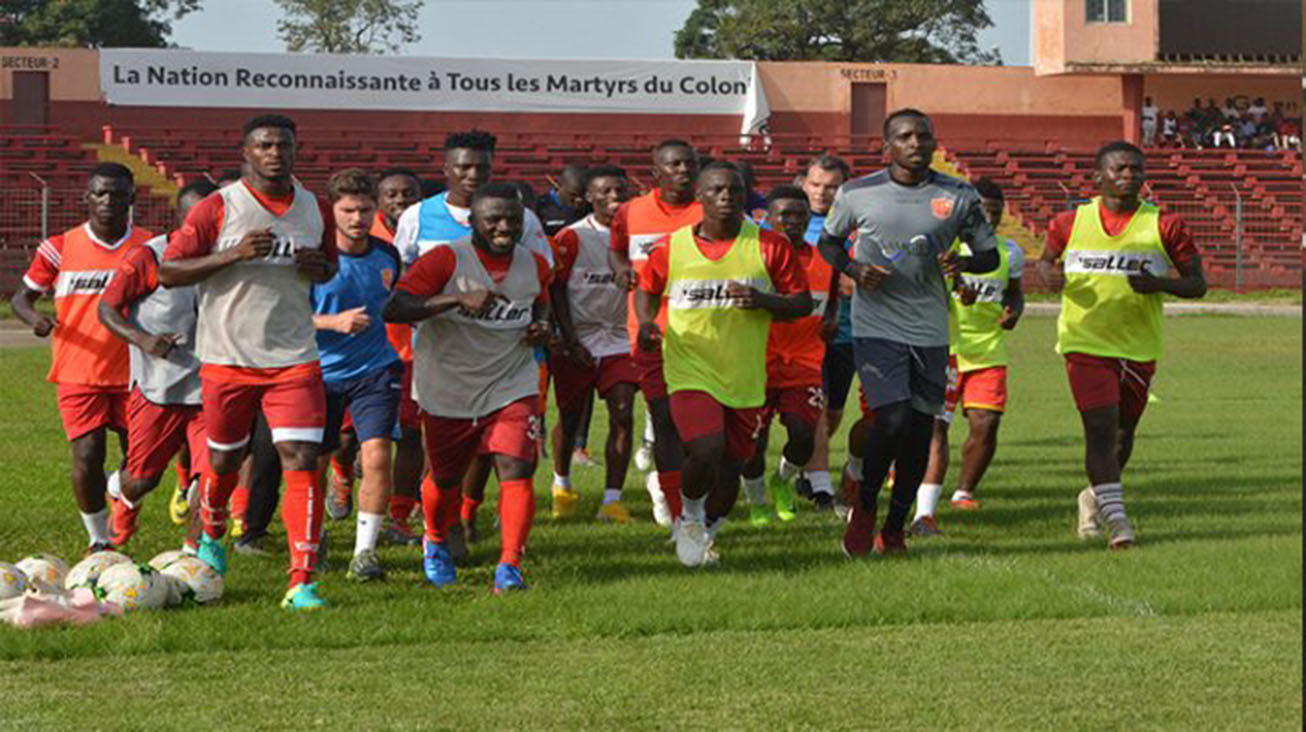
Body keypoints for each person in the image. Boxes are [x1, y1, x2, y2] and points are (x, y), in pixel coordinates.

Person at [160, 114, 338, 610]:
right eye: (264, 145)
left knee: (302, 460)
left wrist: (319, 268)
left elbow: (330, 267)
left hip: (294, 356)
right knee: (222, 462)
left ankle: (302, 582)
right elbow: (169, 271)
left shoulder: (314, 207)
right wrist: (233, 254)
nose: (275, 152)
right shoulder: (219, 207)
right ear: (246, 153)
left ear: (296, 151)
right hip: (226, 358)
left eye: (284, 144)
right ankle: (213, 534)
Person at [818, 108, 999, 558]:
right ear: (887, 147)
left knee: (920, 431)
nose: (916, 143)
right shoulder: (858, 193)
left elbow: (989, 256)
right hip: (876, 324)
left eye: (924, 135)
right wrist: (856, 268)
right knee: (893, 418)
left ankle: (895, 526)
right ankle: (863, 505)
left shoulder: (958, 195)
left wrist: (964, 263)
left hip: (931, 326)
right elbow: (828, 242)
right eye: (905, 136)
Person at [636, 162, 810, 566]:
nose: (727, 197)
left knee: (734, 462)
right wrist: (646, 323)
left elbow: (800, 303)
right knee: (705, 447)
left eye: (735, 190)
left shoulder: (770, 246)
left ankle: (707, 532)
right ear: (699, 196)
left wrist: (762, 300)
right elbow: (647, 288)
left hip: (745, 372)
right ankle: (691, 517)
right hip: (689, 366)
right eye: (716, 190)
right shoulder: (671, 246)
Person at [383, 183, 552, 593]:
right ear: (473, 221)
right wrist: (454, 301)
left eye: (512, 219)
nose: (503, 227)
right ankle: (436, 539)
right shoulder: (445, 258)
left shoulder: (534, 264)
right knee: (444, 477)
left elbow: (541, 301)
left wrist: (542, 326)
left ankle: (510, 565)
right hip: (449, 384)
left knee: (516, 466)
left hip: (512, 381)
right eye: (493, 219)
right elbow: (394, 307)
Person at [1038, 140, 1206, 549]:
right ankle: (1119, 522)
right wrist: (1047, 274)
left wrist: (1159, 284)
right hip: (1084, 340)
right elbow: (1045, 260)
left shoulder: (1165, 224)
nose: (1128, 175)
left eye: (1135, 169)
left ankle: (1093, 497)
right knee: (1099, 429)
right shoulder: (1069, 222)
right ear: (1098, 177)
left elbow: (1197, 283)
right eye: (1119, 169)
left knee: (1121, 435)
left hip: (1138, 346)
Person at [11, 163, 155, 554]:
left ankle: (117, 489)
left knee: (141, 466)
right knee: (88, 455)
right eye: (101, 193)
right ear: (86, 198)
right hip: (80, 369)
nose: (109, 201)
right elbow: (20, 298)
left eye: (118, 194)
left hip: (137, 373)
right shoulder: (59, 247)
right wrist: (35, 319)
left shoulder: (149, 247)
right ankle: (98, 540)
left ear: (132, 199)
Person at [98, 180, 218, 548]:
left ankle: (193, 557)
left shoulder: (230, 258)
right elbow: (106, 308)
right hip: (159, 387)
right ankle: (122, 493)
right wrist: (143, 340)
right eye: (195, 217)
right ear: (180, 218)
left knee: (212, 477)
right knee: (143, 477)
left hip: (215, 388)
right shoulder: (148, 257)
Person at [912, 177, 1025, 534]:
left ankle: (963, 492)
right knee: (935, 428)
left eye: (995, 212)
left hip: (988, 352)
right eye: (982, 212)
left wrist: (1013, 310)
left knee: (986, 424)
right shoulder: (945, 249)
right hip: (946, 351)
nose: (988, 219)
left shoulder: (1010, 253)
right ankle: (919, 491)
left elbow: (1015, 293)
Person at [310, 169, 403, 581]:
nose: (358, 218)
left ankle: (364, 553)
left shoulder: (388, 255)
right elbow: (283, 317)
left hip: (375, 370)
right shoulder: (313, 260)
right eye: (348, 210)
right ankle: (314, 535)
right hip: (318, 373)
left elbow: (394, 302)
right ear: (332, 213)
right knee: (312, 463)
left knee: (378, 455)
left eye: (365, 209)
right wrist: (332, 323)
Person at [608, 139, 704, 529]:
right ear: (656, 173)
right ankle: (676, 505)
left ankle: (679, 488)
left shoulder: (710, 210)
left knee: (699, 430)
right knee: (665, 418)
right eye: (675, 164)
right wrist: (619, 269)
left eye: (689, 164)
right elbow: (616, 248)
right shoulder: (631, 212)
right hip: (650, 331)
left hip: (704, 331)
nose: (683, 170)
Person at [740, 185, 837, 526]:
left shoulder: (825, 259)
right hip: (756, 359)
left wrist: (830, 320)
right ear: (768, 219)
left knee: (802, 434)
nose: (793, 221)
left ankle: (781, 479)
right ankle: (756, 503)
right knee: (752, 442)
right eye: (785, 215)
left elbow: (832, 299)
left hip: (804, 360)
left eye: (800, 215)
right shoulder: (753, 256)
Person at [548, 165, 640, 522]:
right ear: (589, 197)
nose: (614, 197)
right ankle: (562, 484)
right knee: (570, 418)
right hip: (578, 338)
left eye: (620, 190)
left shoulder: (638, 236)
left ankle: (612, 501)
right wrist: (568, 338)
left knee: (622, 413)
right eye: (605, 191)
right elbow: (554, 287)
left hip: (619, 338)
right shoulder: (571, 238)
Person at [370, 167, 425, 546]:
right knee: (349, 440)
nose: (400, 201)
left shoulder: (426, 234)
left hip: (411, 351)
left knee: (409, 434)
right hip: (362, 352)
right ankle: (342, 476)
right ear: (378, 200)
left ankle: (400, 515)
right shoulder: (360, 234)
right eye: (392, 194)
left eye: (409, 194)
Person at [800, 154, 853, 510]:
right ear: (804, 183)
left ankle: (805, 470)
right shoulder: (786, 222)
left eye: (831, 187)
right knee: (816, 411)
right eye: (816, 184)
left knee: (833, 412)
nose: (822, 193)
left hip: (846, 333)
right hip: (803, 337)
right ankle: (821, 487)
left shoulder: (854, 226)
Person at [538, 164, 589, 236]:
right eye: (573, 195)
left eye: (584, 195)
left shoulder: (592, 207)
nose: (579, 200)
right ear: (559, 185)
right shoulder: (539, 207)